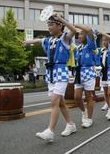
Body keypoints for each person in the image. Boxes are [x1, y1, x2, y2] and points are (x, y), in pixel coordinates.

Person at [23, 13, 76, 142]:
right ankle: (71, 124)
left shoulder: (65, 38)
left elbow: (73, 30)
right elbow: (37, 40)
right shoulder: (48, 40)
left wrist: (61, 18)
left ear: (60, 25)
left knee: (54, 101)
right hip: (51, 72)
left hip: (61, 71)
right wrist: (26, 42)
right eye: (48, 25)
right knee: (60, 102)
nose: (49, 27)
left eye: (51, 24)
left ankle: (50, 131)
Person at [73, 24, 98, 128]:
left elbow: (88, 30)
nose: (79, 36)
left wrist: (76, 25)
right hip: (78, 73)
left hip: (88, 73)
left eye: (81, 34)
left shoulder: (91, 45)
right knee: (77, 97)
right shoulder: (77, 48)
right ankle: (84, 112)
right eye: (78, 35)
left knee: (88, 97)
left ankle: (89, 119)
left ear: (87, 36)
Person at [98, 32, 110, 121]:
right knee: (106, 93)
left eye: (106, 40)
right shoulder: (101, 50)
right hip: (103, 72)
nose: (104, 42)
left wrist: (101, 32)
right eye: (103, 40)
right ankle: (109, 108)